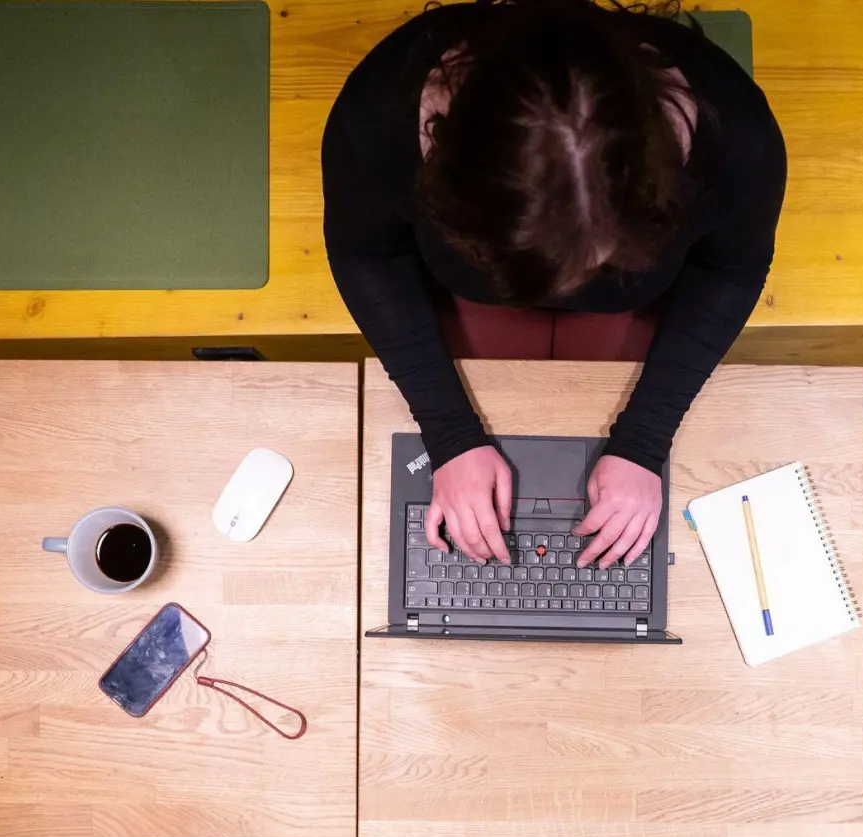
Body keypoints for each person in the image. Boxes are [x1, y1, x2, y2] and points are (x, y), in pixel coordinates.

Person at [322, 0, 786, 572]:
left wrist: (645, 441)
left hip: (630, 313)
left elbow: (731, 270)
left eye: (603, 260)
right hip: (468, 301)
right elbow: (366, 255)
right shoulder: (376, 115)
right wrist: (449, 436)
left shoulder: (740, 139)